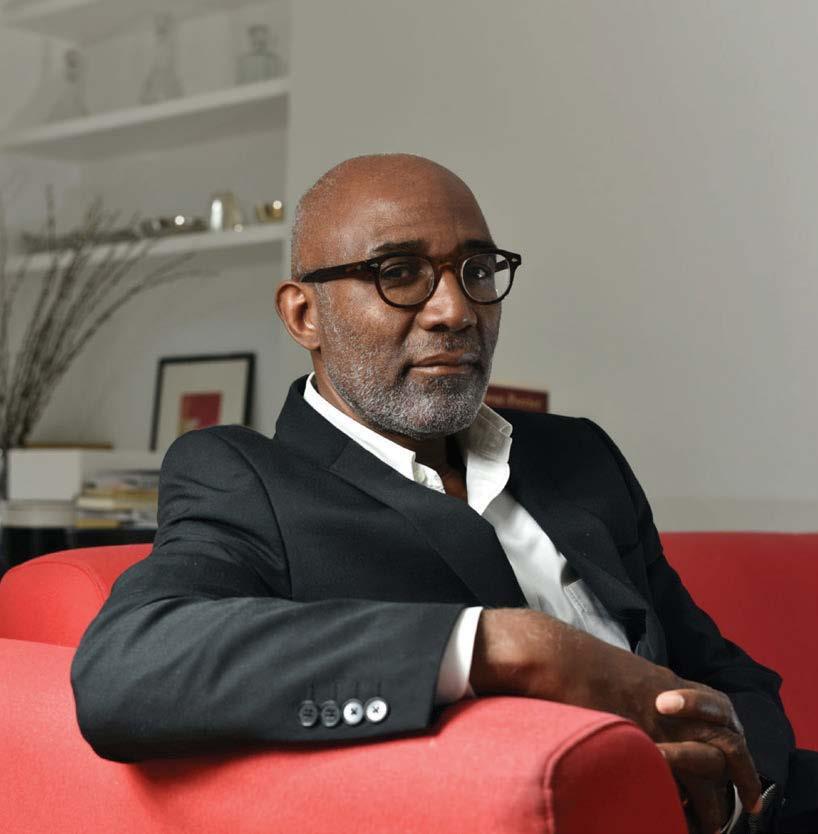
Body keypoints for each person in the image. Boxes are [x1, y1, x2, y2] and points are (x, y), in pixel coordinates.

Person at [71, 153, 814, 834]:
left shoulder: (579, 454)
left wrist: (731, 790)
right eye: (398, 272)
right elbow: (129, 668)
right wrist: (507, 645)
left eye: (477, 270)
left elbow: (728, 676)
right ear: (304, 315)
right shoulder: (245, 476)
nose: (455, 310)